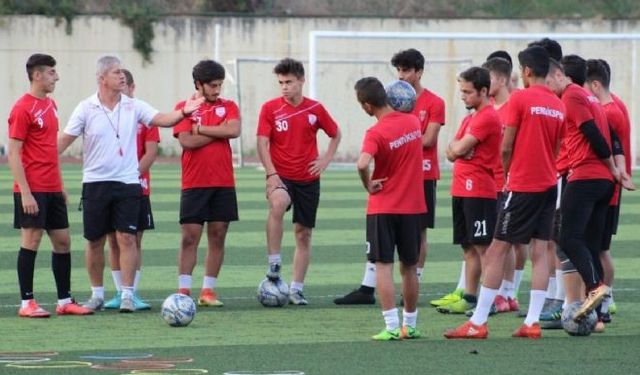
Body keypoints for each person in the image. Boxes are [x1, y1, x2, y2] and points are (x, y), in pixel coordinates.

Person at [58, 55, 203, 313]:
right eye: (115, 72)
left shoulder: (134, 106)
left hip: (128, 183)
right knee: (94, 240)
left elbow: (163, 119)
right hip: (95, 183)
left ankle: (127, 294)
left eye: (122, 72)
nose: (122, 75)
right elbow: (62, 142)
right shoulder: (85, 107)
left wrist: (184, 111)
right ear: (102, 78)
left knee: (127, 238)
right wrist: (40, 164)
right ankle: (97, 294)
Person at [444, 46, 565, 339]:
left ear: (525, 71)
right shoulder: (559, 104)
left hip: (522, 185)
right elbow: (558, 147)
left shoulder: (520, 98)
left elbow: (506, 144)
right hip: (549, 184)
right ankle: (532, 322)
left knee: (497, 249)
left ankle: (478, 322)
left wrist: (507, 174)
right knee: (539, 251)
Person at [335, 48, 445, 306]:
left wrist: (370, 179)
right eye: (399, 70)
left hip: (417, 179)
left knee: (405, 248)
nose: (402, 75)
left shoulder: (431, 103)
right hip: (405, 184)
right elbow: (417, 137)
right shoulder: (406, 117)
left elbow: (428, 140)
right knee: (401, 258)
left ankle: (394, 318)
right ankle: (391, 304)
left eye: (407, 70)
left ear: (419, 71)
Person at [8, 53, 93, 318]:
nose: (57, 76)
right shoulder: (22, 108)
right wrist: (25, 192)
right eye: (52, 72)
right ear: (37, 75)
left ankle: (65, 300)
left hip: (52, 188)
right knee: (31, 240)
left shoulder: (52, 105)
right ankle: (27, 303)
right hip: (32, 189)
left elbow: (48, 150)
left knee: (63, 241)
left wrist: (60, 185)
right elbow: (13, 152)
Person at [256, 58, 341, 305]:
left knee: (303, 234)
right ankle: (274, 263)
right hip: (280, 175)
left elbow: (335, 134)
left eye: (289, 82)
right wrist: (271, 173)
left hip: (308, 178)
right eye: (281, 82)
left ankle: (296, 289)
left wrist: (325, 159)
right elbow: (262, 142)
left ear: (301, 81)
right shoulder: (270, 108)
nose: (284, 87)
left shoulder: (315, 109)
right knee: (279, 202)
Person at [556, 55, 631, 322]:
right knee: (591, 243)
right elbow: (612, 138)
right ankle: (598, 314)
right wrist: (616, 170)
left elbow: (595, 134)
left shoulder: (573, 96)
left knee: (568, 239)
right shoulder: (595, 100)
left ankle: (595, 288)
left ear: (562, 76)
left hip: (585, 175)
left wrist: (613, 167)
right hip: (603, 183)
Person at [354, 77, 425, 340]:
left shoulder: (376, 132)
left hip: (383, 206)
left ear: (368, 106)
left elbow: (362, 164)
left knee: (383, 265)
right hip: (412, 206)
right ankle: (411, 323)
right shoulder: (413, 121)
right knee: (409, 266)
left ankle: (392, 326)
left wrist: (368, 184)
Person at [173, 59, 241, 307]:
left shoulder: (229, 106)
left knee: (218, 234)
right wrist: (217, 131)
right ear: (199, 85)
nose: (217, 90)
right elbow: (186, 142)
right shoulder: (184, 107)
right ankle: (183, 290)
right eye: (212, 85)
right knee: (189, 236)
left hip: (223, 181)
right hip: (194, 182)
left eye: (220, 85)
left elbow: (233, 131)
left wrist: (201, 129)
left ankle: (208, 291)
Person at [437, 67, 501, 315]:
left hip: (480, 190)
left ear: (483, 91)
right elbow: (451, 150)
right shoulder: (469, 118)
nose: (462, 96)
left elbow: (459, 148)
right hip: (462, 188)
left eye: (467, 91)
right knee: (468, 246)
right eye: (461, 91)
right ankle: (471, 297)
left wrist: (460, 149)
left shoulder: (487, 117)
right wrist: (459, 149)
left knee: (484, 247)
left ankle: (490, 301)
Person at [103, 69, 159, 310]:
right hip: (110, 186)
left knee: (132, 239)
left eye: (123, 87)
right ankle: (118, 292)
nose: (120, 92)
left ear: (132, 88)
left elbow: (151, 151)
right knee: (113, 240)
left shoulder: (141, 113)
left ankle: (131, 291)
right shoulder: (104, 113)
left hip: (136, 187)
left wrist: (132, 175)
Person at [482, 55, 526, 314]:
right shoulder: (489, 107)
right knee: (504, 241)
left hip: (507, 183)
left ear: (498, 79)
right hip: (490, 182)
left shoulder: (514, 106)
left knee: (507, 242)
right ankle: (506, 294)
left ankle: (504, 293)